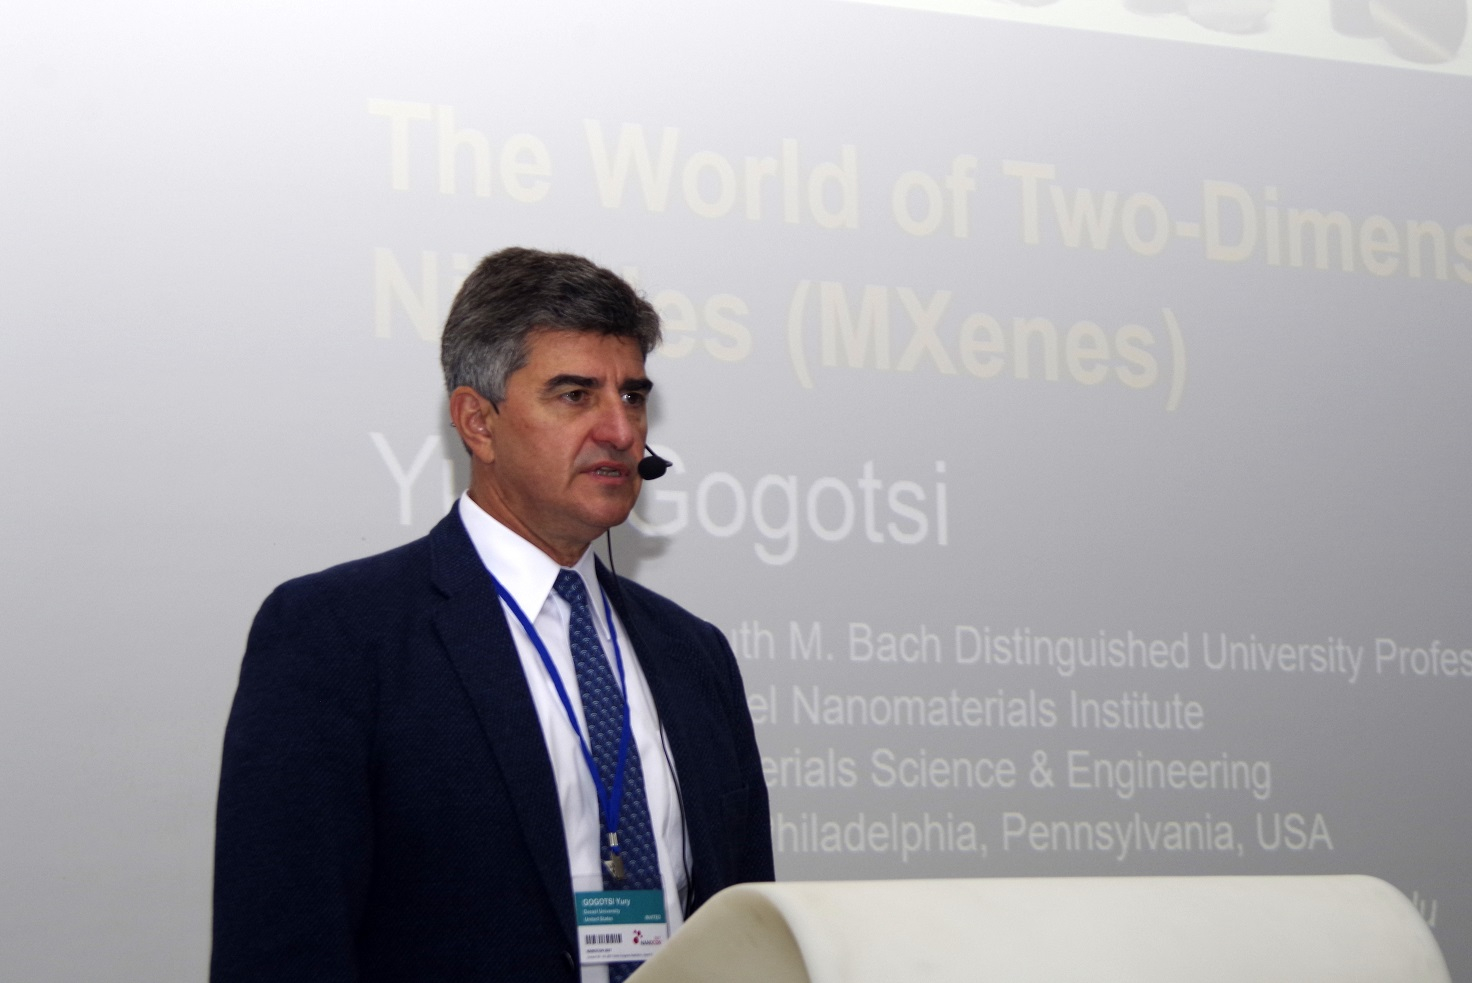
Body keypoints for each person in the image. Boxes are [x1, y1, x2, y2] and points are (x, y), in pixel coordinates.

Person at [211, 247, 773, 983]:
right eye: (575, 395)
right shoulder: (336, 634)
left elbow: (748, 935)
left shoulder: (693, 653)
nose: (620, 429)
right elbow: (281, 947)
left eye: (632, 396)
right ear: (477, 421)